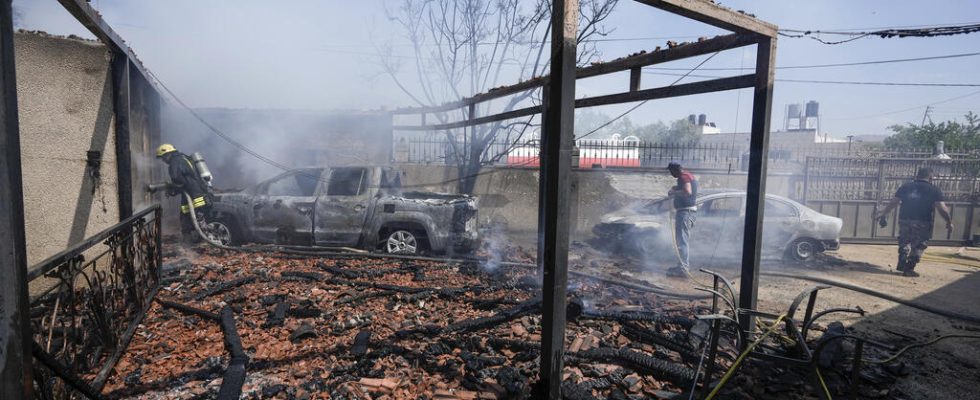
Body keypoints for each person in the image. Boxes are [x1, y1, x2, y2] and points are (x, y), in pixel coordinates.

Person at [875, 167, 953, 277]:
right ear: (930, 177)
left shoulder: (906, 186)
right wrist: (949, 221)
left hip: (905, 219)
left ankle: (902, 261)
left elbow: (894, 202)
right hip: (922, 221)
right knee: (919, 245)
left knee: (904, 241)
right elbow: (942, 208)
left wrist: (884, 213)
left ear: (917, 175)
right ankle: (909, 268)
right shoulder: (934, 189)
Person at [156, 144, 212, 244]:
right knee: (191, 218)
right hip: (197, 193)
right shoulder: (184, 157)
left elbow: (179, 180)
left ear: (167, 154)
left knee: (193, 220)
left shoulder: (175, 162)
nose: (163, 160)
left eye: (163, 157)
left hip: (194, 196)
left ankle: (201, 243)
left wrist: (171, 188)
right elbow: (187, 179)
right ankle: (195, 243)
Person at [666, 162, 698, 278]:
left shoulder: (684, 176)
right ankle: (681, 266)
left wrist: (674, 192)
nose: (671, 174)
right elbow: (685, 189)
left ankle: (683, 268)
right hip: (685, 212)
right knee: (681, 241)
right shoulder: (687, 176)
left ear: (675, 170)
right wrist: (677, 188)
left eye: (671, 172)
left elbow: (687, 192)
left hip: (685, 213)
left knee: (682, 242)